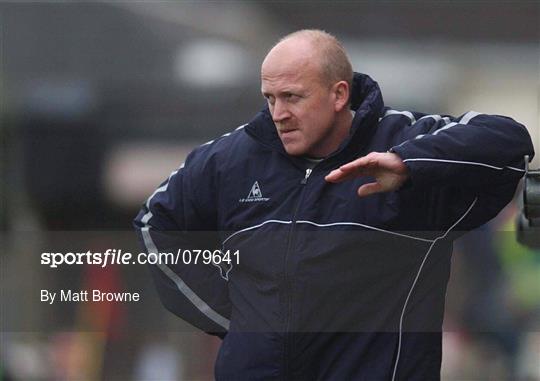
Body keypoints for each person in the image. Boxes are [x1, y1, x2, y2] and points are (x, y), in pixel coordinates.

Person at [134, 29, 534, 380]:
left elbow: (508, 140)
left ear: (339, 93)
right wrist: (234, 318)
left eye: (292, 97)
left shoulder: (401, 136)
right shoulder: (230, 159)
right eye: (270, 98)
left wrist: (409, 164)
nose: (278, 114)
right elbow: (156, 222)